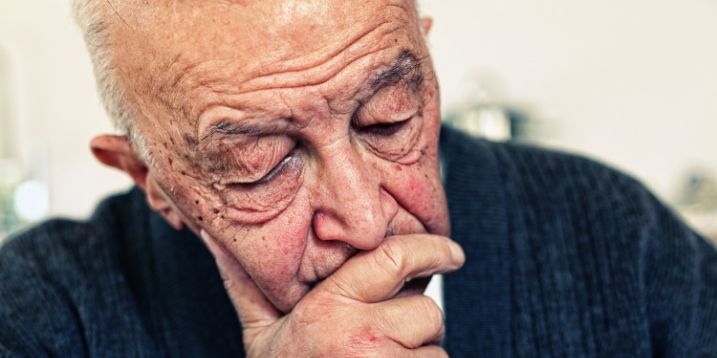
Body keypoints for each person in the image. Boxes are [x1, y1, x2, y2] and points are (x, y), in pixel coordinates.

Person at [1, 0, 716, 356]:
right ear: (151, 180)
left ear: (425, 69)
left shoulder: (621, 238)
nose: (367, 218)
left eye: (386, 117)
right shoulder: (42, 310)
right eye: (259, 164)